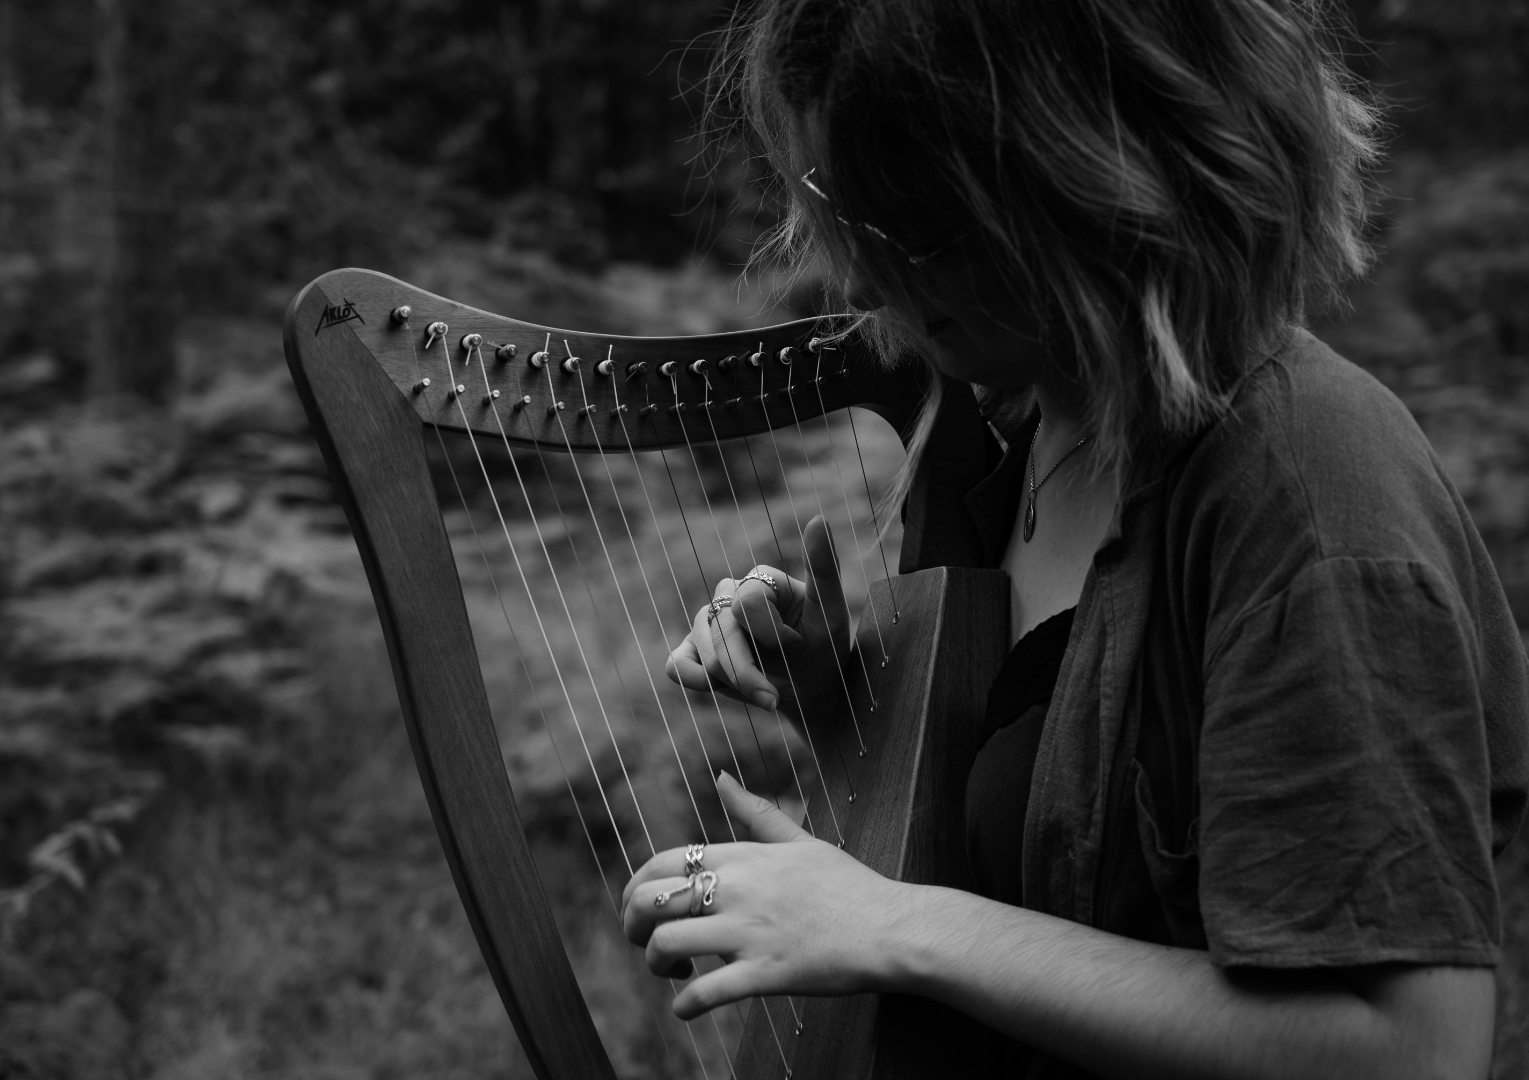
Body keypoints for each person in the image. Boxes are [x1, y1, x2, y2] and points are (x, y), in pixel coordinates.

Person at [620, 1, 1529, 1077]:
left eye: (912, 229)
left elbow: (1411, 1048)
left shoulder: (1310, 501)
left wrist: (891, 925)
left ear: (1091, 189)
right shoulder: (1014, 430)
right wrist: (839, 699)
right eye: (839, 209)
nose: (857, 281)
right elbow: (1029, 866)